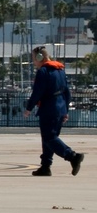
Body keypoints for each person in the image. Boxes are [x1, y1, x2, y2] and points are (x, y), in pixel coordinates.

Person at [23, 46, 84, 176]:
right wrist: (65, 110)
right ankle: (45, 166)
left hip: (49, 108)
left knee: (49, 137)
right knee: (50, 138)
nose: (33, 61)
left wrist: (29, 108)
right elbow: (67, 92)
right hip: (60, 107)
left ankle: (72, 156)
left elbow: (37, 92)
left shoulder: (43, 71)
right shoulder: (60, 70)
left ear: (39, 58)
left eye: (34, 58)